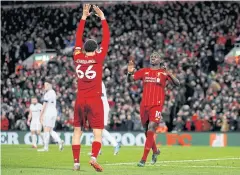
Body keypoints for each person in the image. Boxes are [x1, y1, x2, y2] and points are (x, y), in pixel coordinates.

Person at [71, 4, 110, 172]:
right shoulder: (99, 58)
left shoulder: (77, 57)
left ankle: (76, 163)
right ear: (96, 49)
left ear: (84, 49)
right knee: (98, 132)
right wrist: (102, 17)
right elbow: (107, 38)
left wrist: (83, 17)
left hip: (80, 99)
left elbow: (78, 38)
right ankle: (93, 157)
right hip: (94, 99)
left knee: (77, 131)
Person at [127, 52, 180, 167]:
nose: (153, 58)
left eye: (155, 57)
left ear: (160, 60)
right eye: (151, 57)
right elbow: (130, 80)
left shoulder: (163, 72)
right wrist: (129, 72)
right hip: (144, 105)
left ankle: (143, 159)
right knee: (146, 131)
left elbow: (177, 83)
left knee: (151, 127)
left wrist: (169, 73)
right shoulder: (144, 71)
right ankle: (155, 151)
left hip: (156, 105)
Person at [38, 81, 64, 152]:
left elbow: (44, 105)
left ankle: (46, 148)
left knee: (46, 129)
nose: (45, 86)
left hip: (48, 112)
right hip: (54, 112)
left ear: (50, 85)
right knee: (50, 130)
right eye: (44, 85)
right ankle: (59, 141)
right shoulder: (53, 92)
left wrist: (40, 115)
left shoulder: (47, 94)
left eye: (46, 85)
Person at [101, 82, 121, 155]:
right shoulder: (96, 80)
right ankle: (97, 149)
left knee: (99, 128)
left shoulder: (98, 82)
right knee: (97, 129)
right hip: (99, 107)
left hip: (102, 107)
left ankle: (115, 144)